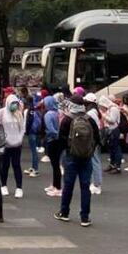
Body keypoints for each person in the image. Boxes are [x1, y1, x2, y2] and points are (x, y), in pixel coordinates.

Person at [54, 95, 99, 227]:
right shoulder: (89, 120)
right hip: (86, 157)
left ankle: (64, 212)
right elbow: (96, 137)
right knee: (85, 186)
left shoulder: (67, 120)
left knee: (68, 185)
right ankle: (84, 217)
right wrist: (89, 150)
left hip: (71, 156)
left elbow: (61, 140)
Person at [0, 93, 26, 198]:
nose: (14, 106)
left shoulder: (18, 114)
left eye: (16, 103)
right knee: (4, 166)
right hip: (5, 144)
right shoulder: (1, 113)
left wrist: (20, 139)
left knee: (16, 165)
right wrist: (1, 138)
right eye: (12, 103)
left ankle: (19, 188)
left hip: (17, 144)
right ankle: (3, 185)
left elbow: (22, 128)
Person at [42, 95, 64, 197]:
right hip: (59, 141)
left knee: (55, 165)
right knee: (56, 164)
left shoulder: (48, 115)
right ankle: (55, 184)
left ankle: (58, 187)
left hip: (52, 140)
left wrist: (55, 134)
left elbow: (50, 129)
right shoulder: (58, 112)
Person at [85, 93, 105, 195]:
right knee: (95, 161)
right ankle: (96, 183)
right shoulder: (95, 112)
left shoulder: (91, 113)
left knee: (95, 161)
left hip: (92, 140)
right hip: (94, 139)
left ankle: (97, 184)